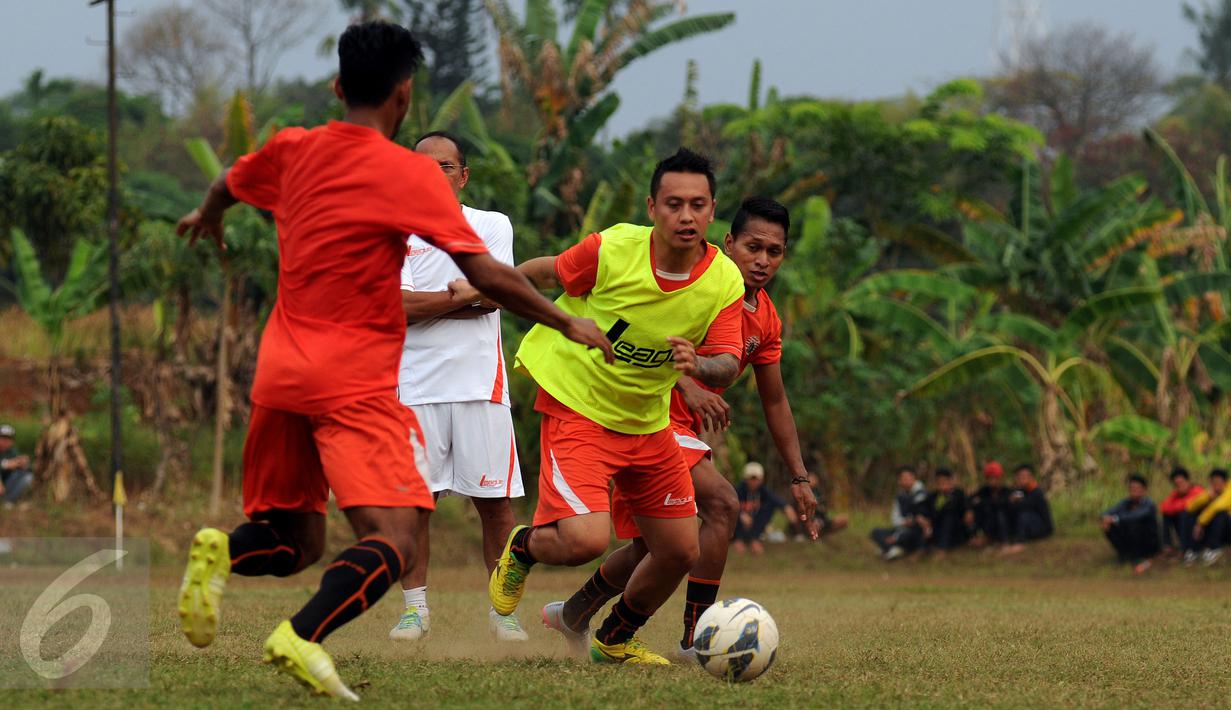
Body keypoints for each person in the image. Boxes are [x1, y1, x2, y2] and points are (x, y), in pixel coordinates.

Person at [172, 21, 611, 700]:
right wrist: (564, 320)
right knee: (395, 538)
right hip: (352, 379)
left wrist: (208, 215)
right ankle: (299, 636)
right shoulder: (408, 173)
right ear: (403, 96)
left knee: (297, 540)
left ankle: (222, 552)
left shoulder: (291, 148)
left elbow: (230, 180)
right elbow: (488, 276)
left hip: (278, 373)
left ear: (337, 85)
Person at [488, 148, 747, 665]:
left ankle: (614, 639)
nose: (686, 216)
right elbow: (549, 273)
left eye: (697, 205)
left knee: (678, 549)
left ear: (712, 211)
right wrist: (484, 283)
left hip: (647, 420)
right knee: (585, 541)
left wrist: (699, 365)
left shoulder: (724, 280)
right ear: (652, 207)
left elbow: (729, 363)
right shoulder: (613, 250)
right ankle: (522, 548)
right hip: (578, 405)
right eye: (674, 204)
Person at [547, 196, 822, 660]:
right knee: (722, 504)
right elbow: (641, 331)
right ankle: (693, 639)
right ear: (729, 242)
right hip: (643, 415)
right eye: (753, 247)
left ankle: (573, 613)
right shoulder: (695, 282)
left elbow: (774, 399)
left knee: (649, 551)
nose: (762, 260)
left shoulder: (766, 316)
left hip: (672, 430)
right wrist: (684, 381)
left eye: (774, 252)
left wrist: (799, 476)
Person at [388, 131, 528, 644]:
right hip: (413, 387)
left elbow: (495, 296)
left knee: (495, 505)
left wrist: (459, 297)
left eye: (444, 167)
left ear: (463, 175)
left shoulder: (491, 226)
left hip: (480, 387)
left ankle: (502, 613)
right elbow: (392, 308)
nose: (433, 176)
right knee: (413, 505)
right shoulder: (392, 232)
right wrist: (461, 296)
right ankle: (414, 611)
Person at [1101, 474, 1161, 574]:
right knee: (1108, 525)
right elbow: (1109, 512)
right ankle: (1125, 554)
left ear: (1144, 490)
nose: (1134, 490)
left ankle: (1138, 557)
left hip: (1149, 543)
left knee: (1133, 524)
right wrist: (1106, 518)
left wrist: (1115, 519)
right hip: (1130, 539)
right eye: (1132, 488)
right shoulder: (1126, 502)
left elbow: (1135, 517)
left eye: (1137, 488)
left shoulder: (1149, 504)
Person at [731, 462, 791, 555]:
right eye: (751, 478)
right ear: (745, 479)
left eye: (756, 479)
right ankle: (738, 540)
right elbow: (727, 505)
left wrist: (786, 507)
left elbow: (776, 500)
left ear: (761, 479)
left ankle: (755, 539)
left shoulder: (764, 490)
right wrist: (741, 514)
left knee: (769, 506)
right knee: (732, 511)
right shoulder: (737, 490)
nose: (754, 482)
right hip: (739, 526)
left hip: (755, 524)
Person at [870, 467, 928, 561]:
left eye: (906, 478)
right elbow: (895, 519)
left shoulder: (922, 494)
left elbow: (919, 519)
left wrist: (897, 537)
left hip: (915, 532)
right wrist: (902, 525)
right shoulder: (900, 496)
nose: (903, 481)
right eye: (902, 479)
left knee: (909, 535)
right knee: (876, 532)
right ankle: (892, 548)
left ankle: (891, 547)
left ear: (913, 477)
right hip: (901, 529)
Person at [1003, 464, 1053, 554]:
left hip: (1043, 528)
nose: (1020, 479)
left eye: (1023, 477)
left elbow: (1025, 506)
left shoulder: (1037, 492)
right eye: (1018, 477)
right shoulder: (1020, 491)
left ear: (1031, 477)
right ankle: (1007, 540)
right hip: (1030, 526)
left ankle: (1020, 543)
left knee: (1024, 515)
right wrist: (1011, 501)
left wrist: (1016, 501)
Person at [1159, 467, 1204, 563]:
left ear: (1188, 481)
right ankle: (1167, 546)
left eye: (1181, 483)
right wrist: (1176, 505)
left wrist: (1175, 506)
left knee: (1184, 513)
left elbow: (1188, 505)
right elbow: (1164, 507)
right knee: (1167, 515)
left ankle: (1184, 550)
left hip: (1199, 531)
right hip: (1184, 529)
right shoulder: (1176, 494)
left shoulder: (1198, 490)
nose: (1179, 486)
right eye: (1176, 484)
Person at [1188, 468, 1231, 566]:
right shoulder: (1211, 492)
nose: (1216, 484)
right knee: (1193, 512)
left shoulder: (1230, 490)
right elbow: (1190, 507)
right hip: (1217, 529)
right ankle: (1194, 549)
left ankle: (1214, 549)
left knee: (1220, 514)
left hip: (1228, 528)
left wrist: (1200, 523)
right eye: (1213, 482)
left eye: (1218, 481)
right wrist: (1207, 496)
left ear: (1225, 481)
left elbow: (1218, 506)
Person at [966, 461, 1011, 547]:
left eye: (995, 478)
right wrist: (969, 510)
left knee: (999, 512)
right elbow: (970, 499)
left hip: (1005, 525)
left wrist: (983, 502)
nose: (993, 481)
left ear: (1000, 478)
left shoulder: (1006, 491)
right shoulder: (984, 491)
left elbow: (1001, 504)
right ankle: (975, 537)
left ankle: (1005, 541)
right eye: (990, 478)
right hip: (988, 524)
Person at [925, 468, 968, 552]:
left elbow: (965, 508)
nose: (942, 485)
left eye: (945, 481)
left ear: (951, 481)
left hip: (956, 530)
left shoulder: (959, 493)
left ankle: (943, 549)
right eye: (939, 482)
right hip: (938, 530)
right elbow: (925, 510)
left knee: (949, 516)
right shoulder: (933, 496)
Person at [0, 424, 33, 506]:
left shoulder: (12, 451)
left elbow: (28, 467)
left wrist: (24, 464)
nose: (5, 441)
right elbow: (6, 464)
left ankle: (9, 501)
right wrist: (6, 465)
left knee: (28, 476)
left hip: (6, 484)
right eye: (3, 438)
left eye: (8, 439)